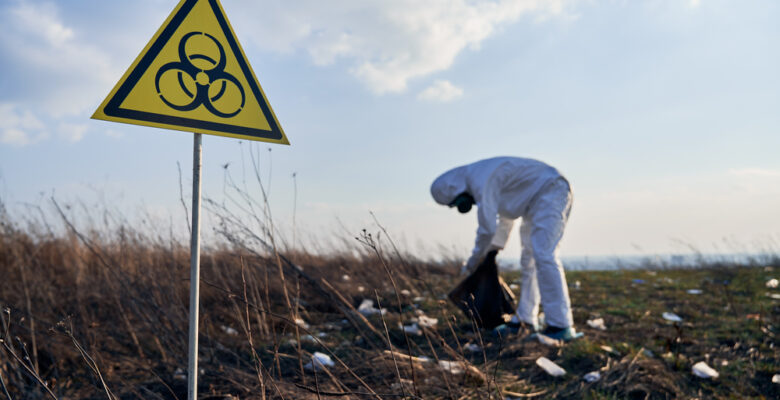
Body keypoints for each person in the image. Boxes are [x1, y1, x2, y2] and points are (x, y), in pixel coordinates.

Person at [430, 156, 582, 341]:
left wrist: (474, 261)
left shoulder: (481, 180)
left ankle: (561, 325)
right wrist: (493, 250)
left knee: (544, 254)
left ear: (454, 191)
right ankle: (525, 319)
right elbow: (505, 218)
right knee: (528, 261)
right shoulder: (479, 178)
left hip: (551, 190)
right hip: (534, 202)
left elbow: (487, 229)